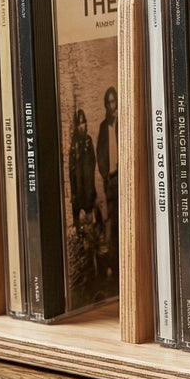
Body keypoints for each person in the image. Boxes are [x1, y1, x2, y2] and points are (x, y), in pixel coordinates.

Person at [68, 107, 98, 275]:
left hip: (88, 191)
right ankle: (83, 267)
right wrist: (73, 193)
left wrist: (91, 189)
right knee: (79, 230)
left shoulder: (88, 142)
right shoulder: (74, 146)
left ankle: (94, 267)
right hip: (77, 193)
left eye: (83, 123)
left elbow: (92, 165)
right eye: (79, 124)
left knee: (90, 228)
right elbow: (71, 171)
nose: (82, 126)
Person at [96, 86, 119, 276]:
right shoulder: (104, 127)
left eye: (114, 102)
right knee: (110, 219)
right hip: (110, 180)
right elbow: (100, 153)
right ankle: (113, 263)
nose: (112, 106)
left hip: (122, 177)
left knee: (123, 219)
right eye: (109, 103)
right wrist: (105, 174)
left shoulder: (121, 123)